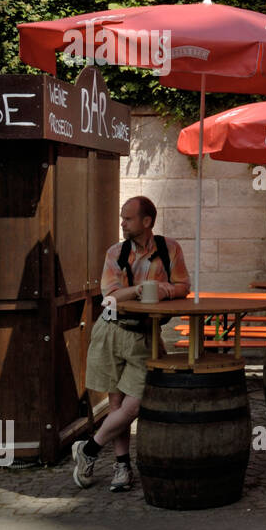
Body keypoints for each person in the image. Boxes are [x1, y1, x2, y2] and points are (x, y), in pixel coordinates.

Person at [74, 196, 190, 492]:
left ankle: (89, 449)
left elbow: (184, 286)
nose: (122, 223)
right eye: (122, 218)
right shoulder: (116, 251)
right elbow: (109, 296)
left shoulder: (170, 248)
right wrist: (138, 290)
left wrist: (164, 291)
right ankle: (121, 466)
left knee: (135, 402)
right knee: (115, 403)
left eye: (127, 218)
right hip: (112, 329)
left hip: (146, 335)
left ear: (146, 222)